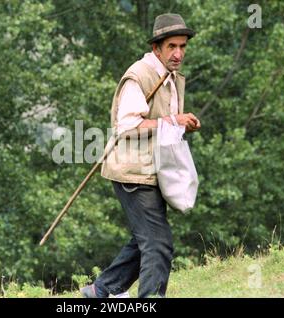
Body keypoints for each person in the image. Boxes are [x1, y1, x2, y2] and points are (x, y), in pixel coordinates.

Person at [81, 13, 201, 298]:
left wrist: (182, 124)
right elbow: (126, 126)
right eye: (172, 46)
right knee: (158, 243)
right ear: (156, 47)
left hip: (151, 169)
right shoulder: (139, 75)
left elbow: (161, 123)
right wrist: (174, 122)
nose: (178, 53)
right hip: (132, 171)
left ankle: (100, 290)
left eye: (183, 46)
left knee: (144, 239)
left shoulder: (169, 76)